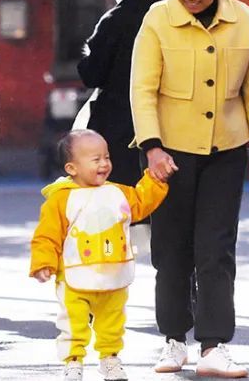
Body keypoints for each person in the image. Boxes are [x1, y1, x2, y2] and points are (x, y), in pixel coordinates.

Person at [131, 0, 249, 378]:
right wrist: (152, 147)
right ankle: (173, 341)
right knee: (171, 250)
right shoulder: (157, 19)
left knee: (216, 250)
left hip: (225, 153)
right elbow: (142, 89)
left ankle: (213, 346)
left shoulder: (243, 19)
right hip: (168, 154)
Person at [30, 129, 169, 381]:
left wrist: (156, 180)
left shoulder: (117, 192)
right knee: (73, 323)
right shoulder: (61, 200)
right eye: (96, 159)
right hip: (75, 277)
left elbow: (141, 201)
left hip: (114, 276)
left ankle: (110, 358)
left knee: (112, 322)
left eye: (106, 157)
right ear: (72, 168)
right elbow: (46, 235)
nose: (104, 163)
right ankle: (73, 361)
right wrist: (43, 262)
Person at [77, 0, 166, 186]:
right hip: (167, 116)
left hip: (120, 120)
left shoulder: (115, 19)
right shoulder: (171, 10)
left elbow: (92, 74)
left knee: (124, 193)